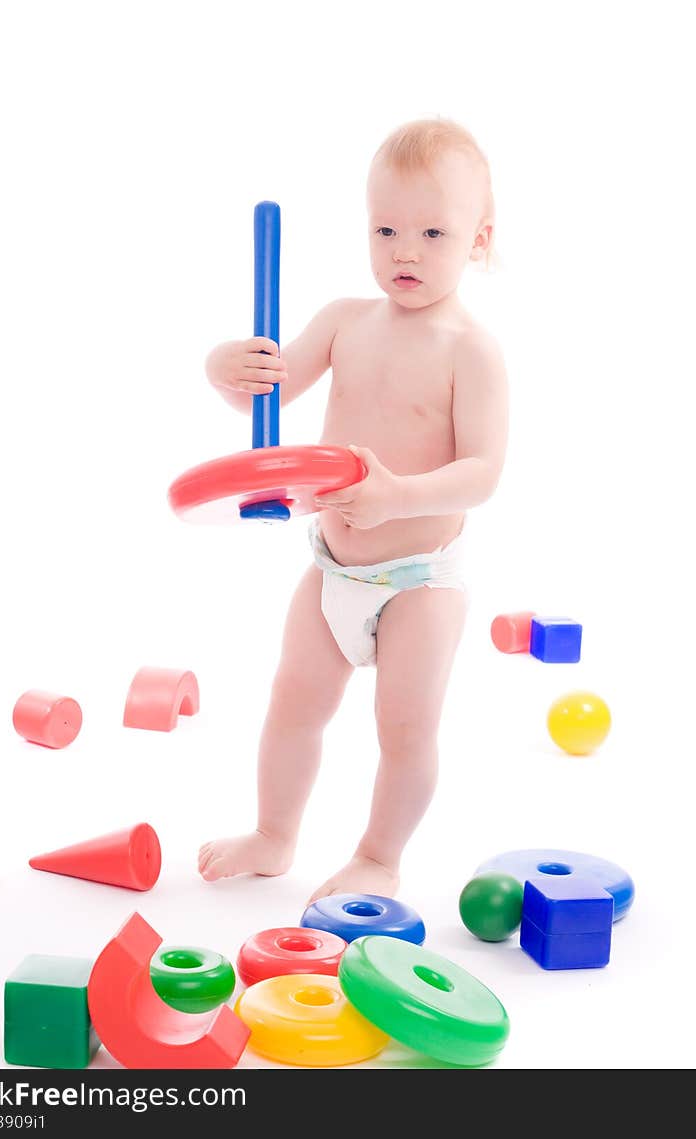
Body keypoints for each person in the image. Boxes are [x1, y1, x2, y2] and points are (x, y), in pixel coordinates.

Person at [198, 117, 508, 903]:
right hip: (332, 569)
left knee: (403, 729)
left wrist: (398, 495)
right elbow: (263, 391)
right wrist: (225, 369)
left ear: (479, 239)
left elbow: (482, 472)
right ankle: (274, 833)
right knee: (292, 702)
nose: (405, 249)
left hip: (418, 582)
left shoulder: (469, 349)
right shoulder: (343, 321)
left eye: (433, 231)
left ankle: (378, 854)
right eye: (387, 228)